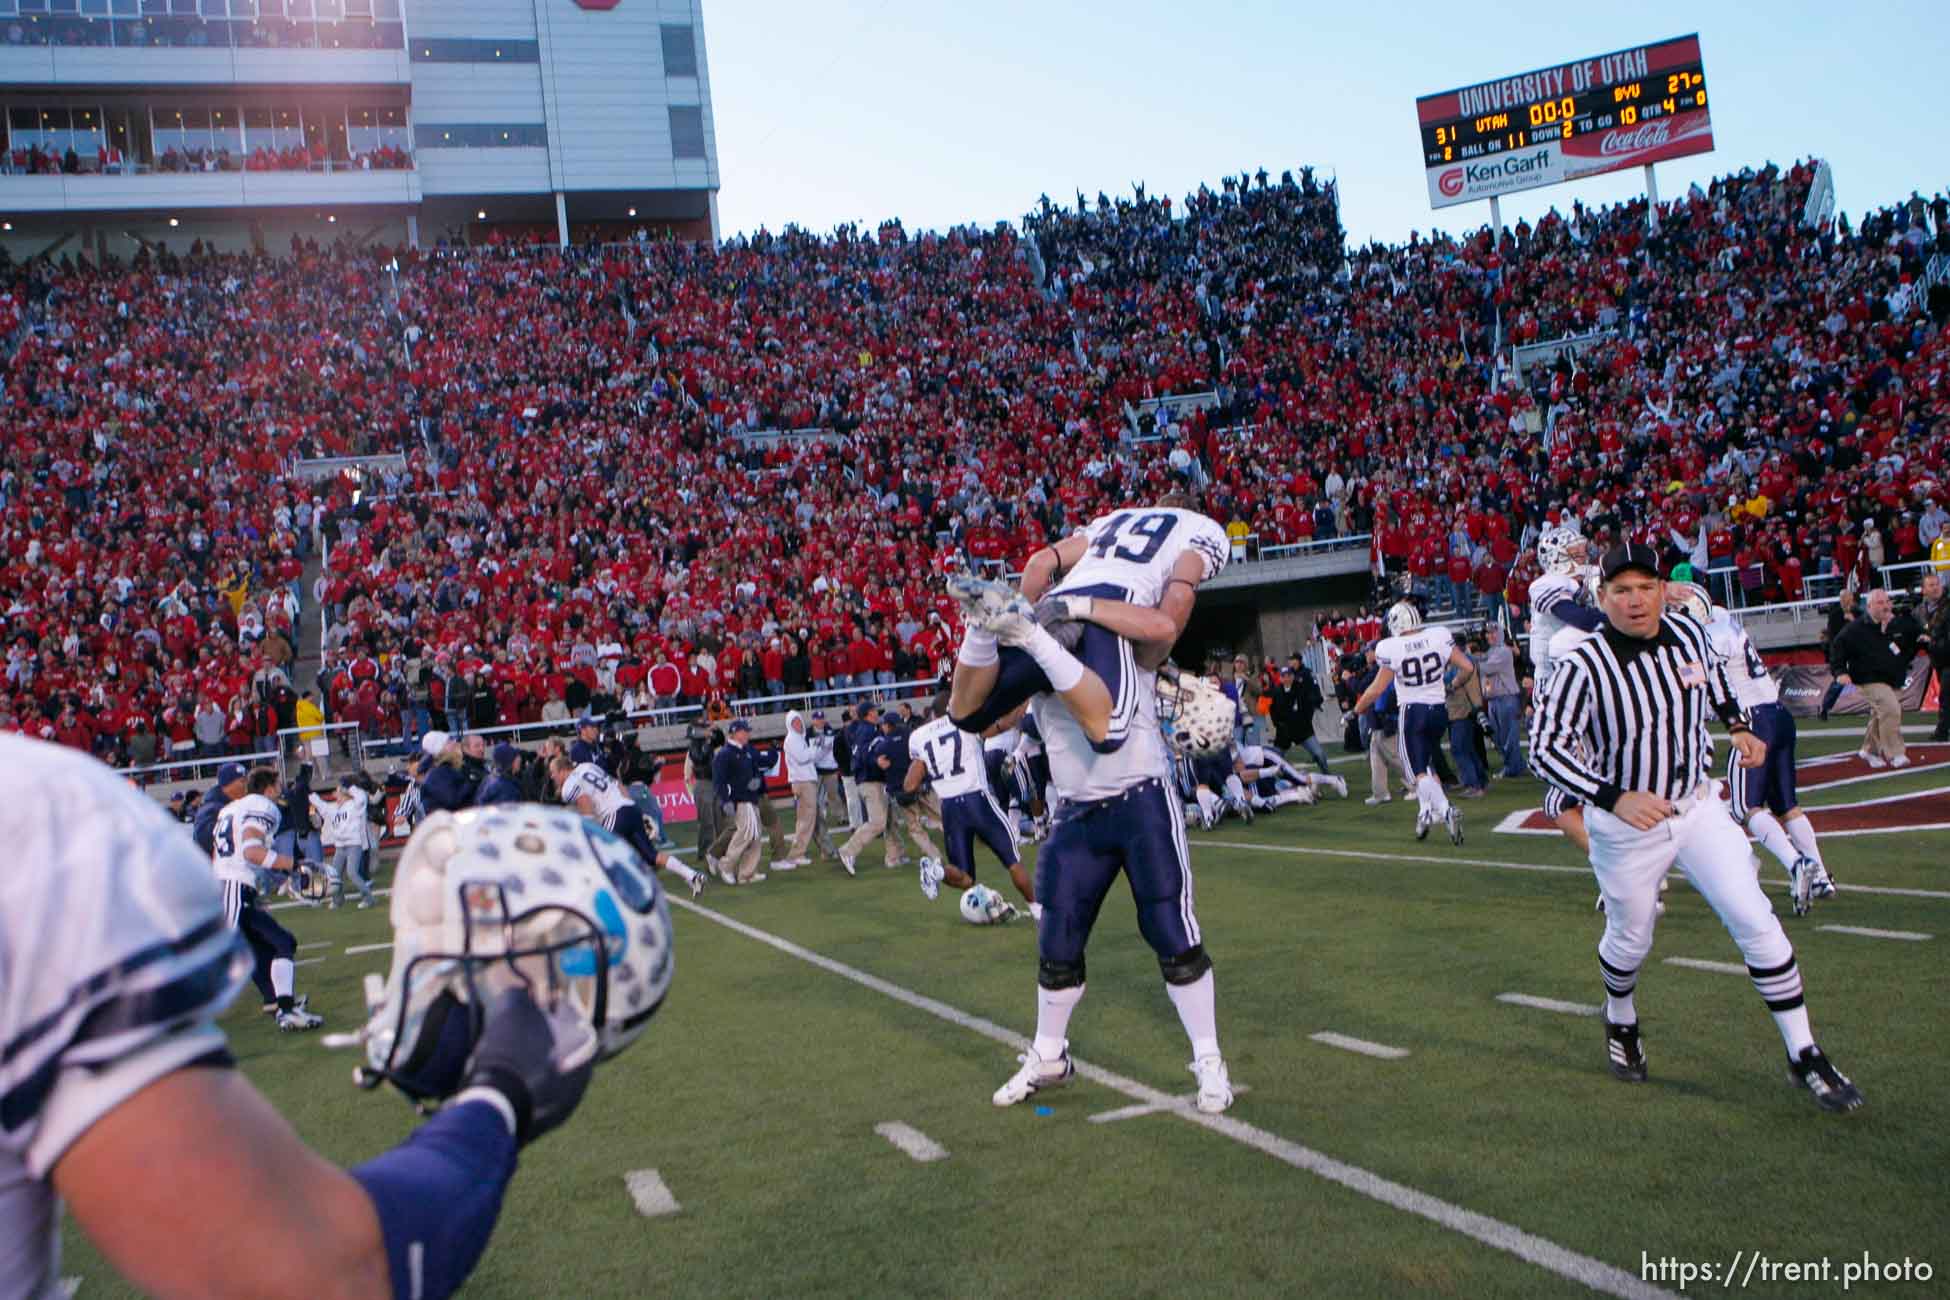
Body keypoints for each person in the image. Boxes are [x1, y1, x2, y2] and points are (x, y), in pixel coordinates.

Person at [0, 737, 623, 1300]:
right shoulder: (38, 814)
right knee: (273, 947)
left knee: (273, 949)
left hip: (221, 885)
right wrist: (502, 1092)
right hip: (234, 886)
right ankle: (283, 1006)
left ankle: (280, 1004)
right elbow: (313, 1274)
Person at [1530, 543, 1863, 1112]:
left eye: (1644, 587)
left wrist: (1737, 726)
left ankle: (1803, 1051)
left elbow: (1716, 683)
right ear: (1602, 597)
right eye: (1621, 590)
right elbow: (1544, 750)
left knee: (1757, 920)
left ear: (1663, 589)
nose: (1635, 600)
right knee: (1631, 940)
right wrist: (1613, 797)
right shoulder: (1582, 664)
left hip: (1698, 807)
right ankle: (1621, 1016)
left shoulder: (1689, 636)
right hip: (1627, 824)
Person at [974, 496, 1238, 1116]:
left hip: (1139, 790)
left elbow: (1044, 563)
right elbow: (1164, 629)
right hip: (1078, 806)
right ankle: (1049, 1055)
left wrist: (1041, 614)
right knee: (1058, 939)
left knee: (1171, 932)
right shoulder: (1173, 554)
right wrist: (1044, 629)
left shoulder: (1085, 572)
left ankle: (1208, 1059)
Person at [945, 494, 1231, 757]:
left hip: (1053, 602)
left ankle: (980, 627)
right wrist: (1148, 661)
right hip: (1112, 609)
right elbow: (1179, 597)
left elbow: (1039, 563)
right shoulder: (1202, 528)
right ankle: (1032, 631)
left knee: (968, 716)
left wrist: (1021, 614)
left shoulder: (1117, 518)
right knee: (1111, 730)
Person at [1675, 587, 1837, 915]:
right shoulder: (1722, 618)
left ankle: (1796, 865)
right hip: (1778, 715)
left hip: (1752, 720)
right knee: (1787, 806)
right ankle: (1820, 876)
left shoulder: (1707, 637)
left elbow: (1698, 676)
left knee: (1746, 806)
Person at [1349, 602, 1477, 844]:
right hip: (1439, 710)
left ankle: (1446, 809)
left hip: (1413, 712)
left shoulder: (1391, 647)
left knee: (1416, 772)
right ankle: (1425, 812)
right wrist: (1453, 684)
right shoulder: (1437, 636)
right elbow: (1468, 667)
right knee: (1426, 765)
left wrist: (1355, 711)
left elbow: (1376, 689)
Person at [211, 767, 324, 1031]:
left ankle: (284, 1008)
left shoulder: (231, 808)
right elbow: (252, 852)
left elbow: (230, 856)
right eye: (279, 784)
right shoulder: (262, 806)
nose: (282, 789)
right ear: (269, 788)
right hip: (232, 889)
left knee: (281, 943)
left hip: (232, 888)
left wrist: (252, 889)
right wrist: (294, 864)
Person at [907, 694, 1038, 916]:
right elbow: (1004, 724)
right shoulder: (965, 722)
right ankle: (1038, 910)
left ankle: (937, 871)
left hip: (950, 808)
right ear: (952, 706)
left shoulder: (918, 736)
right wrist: (1024, 700)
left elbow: (909, 785)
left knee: (965, 877)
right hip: (977, 799)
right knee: (1013, 860)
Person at [552, 754, 705, 897]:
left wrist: (591, 828)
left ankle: (607, 896)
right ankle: (692, 875)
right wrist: (632, 806)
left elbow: (585, 801)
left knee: (598, 856)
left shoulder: (569, 786)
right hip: (629, 807)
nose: (552, 776)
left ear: (562, 770)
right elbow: (617, 783)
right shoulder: (588, 766)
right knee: (651, 855)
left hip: (614, 815)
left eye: (553, 772)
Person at [1828, 588, 1919, 768]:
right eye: (1880, 603)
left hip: (1892, 678)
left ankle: (1869, 750)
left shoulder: (1895, 624)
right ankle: (1895, 753)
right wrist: (1839, 671)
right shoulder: (1856, 628)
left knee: (1880, 714)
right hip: (1867, 678)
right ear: (1869, 606)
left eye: (1887, 602)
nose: (1885, 606)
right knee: (1890, 708)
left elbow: (1912, 638)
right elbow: (1837, 645)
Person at [710, 719, 767, 885]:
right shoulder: (725, 754)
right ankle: (726, 865)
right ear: (736, 733)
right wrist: (725, 801)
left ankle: (747, 872)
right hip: (740, 799)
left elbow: (756, 770)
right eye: (745, 731)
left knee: (755, 835)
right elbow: (719, 781)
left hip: (751, 798)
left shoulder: (746, 750)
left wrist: (757, 780)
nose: (748, 734)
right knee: (746, 833)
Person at [318, 772, 379, 908]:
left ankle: (369, 898)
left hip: (354, 844)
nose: (336, 792)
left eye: (339, 789)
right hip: (340, 846)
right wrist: (310, 795)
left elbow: (361, 797)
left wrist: (349, 786)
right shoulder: (336, 807)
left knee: (352, 873)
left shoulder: (355, 804)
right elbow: (322, 807)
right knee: (335, 874)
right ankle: (338, 900)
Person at [1478, 624, 1528, 778]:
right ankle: (1516, 764)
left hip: (1506, 698)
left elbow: (1486, 668)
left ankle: (1513, 767)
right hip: (1493, 700)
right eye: (1488, 633)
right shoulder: (1491, 652)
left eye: (1493, 633)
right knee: (1498, 736)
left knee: (1508, 736)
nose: (1490, 636)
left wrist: (1467, 661)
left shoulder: (1504, 651)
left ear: (1499, 634)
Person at [781, 709, 821, 868]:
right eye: (794, 722)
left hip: (804, 781)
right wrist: (815, 747)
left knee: (805, 819)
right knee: (806, 819)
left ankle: (798, 852)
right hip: (802, 782)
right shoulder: (792, 739)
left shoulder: (798, 738)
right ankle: (797, 854)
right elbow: (803, 758)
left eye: (798, 721)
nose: (798, 724)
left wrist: (814, 749)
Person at [418, 730, 479, 812]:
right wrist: (471, 781)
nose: (454, 743)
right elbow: (452, 800)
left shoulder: (454, 767)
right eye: (449, 741)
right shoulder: (436, 774)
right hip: (448, 823)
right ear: (440, 749)